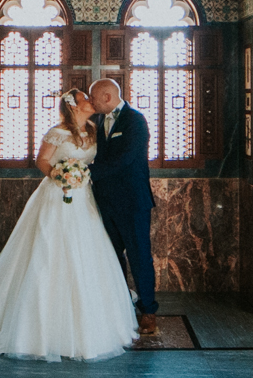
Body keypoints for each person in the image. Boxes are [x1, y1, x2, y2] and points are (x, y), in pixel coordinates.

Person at [0, 88, 138, 361]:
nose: (90, 101)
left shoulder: (95, 130)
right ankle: (33, 327)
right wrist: (61, 176)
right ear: (74, 106)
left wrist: (79, 178)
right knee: (49, 250)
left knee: (87, 251)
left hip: (84, 197)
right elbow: (42, 160)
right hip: (57, 196)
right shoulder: (57, 132)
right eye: (85, 99)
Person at [88, 78, 159, 336]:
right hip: (105, 202)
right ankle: (119, 308)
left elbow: (126, 158)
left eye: (94, 98)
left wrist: (87, 172)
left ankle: (148, 312)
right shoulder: (97, 123)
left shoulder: (135, 120)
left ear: (107, 97)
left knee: (140, 257)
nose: (91, 102)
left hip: (133, 201)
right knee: (112, 257)